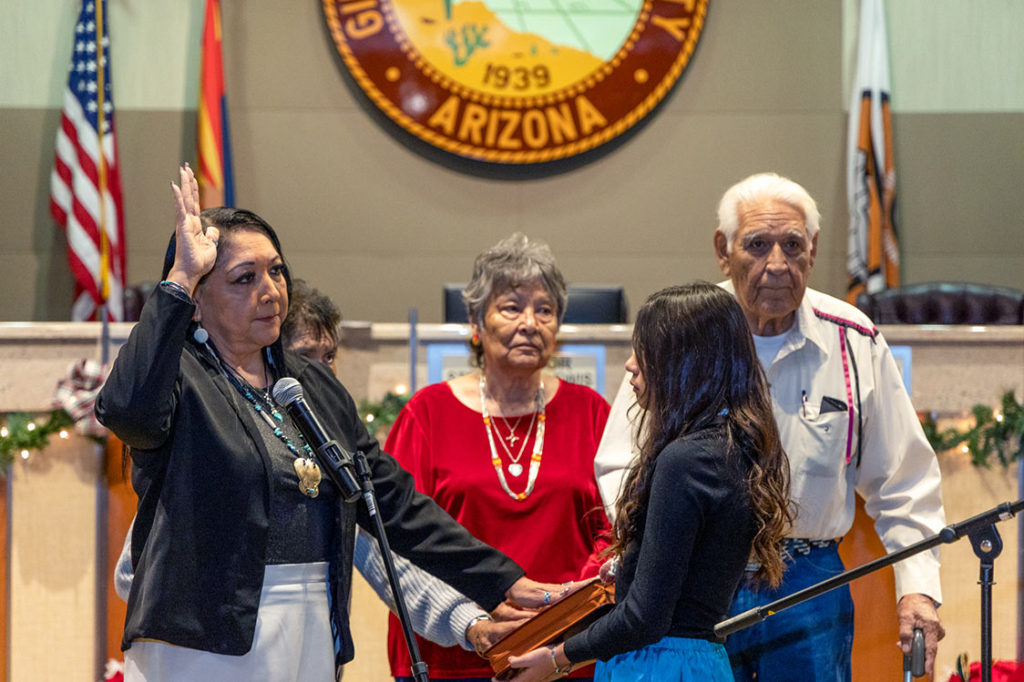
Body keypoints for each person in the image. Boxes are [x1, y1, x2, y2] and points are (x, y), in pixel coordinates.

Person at [96, 165, 565, 681]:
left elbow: (390, 501)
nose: (270, 290)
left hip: (312, 622)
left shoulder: (310, 385)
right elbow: (127, 412)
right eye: (244, 278)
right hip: (203, 636)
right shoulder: (178, 376)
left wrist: (499, 581)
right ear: (199, 303)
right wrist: (178, 280)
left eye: (276, 271)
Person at [593, 172, 947, 681]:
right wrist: (657, 546)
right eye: (757, 245)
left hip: (808, 583)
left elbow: (905, 481)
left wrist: (917, 587)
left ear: (814, 249)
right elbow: (622, 462)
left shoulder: (855, 339)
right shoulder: (681, 330)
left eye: (792, 245)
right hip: (695, 582)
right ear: (723, 249)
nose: (776, 264)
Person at [111, 272, 510, 654]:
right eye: (304, 357)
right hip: (213, 658)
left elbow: (389, 559)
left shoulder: (328, 457)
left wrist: (470, 623)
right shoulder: (220, 451)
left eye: (329, 356)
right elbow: (132, 573)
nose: (322, 374)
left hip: (307, 651)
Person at [504, 283, 792, 681]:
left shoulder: (685, 460)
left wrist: (558, 657)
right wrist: (631, 568)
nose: (630, 365)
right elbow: (691, 573)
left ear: (685, 362)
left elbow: (645, 618)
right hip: (698, 663)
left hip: (658, 664)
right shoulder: (727, 448)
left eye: (646, 350)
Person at [383, 233, 613, 681]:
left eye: (545, 310)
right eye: (511, 307)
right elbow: (397, 538)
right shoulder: (426, 414)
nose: (530, 322)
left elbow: (618, 526)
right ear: (476, 321)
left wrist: (562, 611)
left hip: (567, 651)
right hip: (453, 649)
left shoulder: (591, 412)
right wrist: (472, 622)